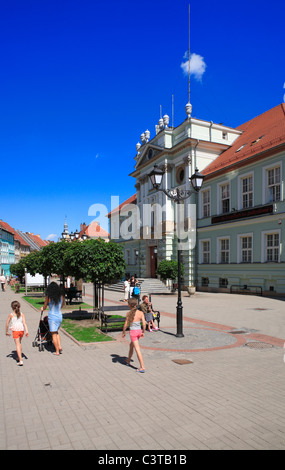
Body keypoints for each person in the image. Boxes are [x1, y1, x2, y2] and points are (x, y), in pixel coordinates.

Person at [122, 298, 146, 373]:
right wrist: (143, 332)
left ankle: (142, 367)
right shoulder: (140, 313)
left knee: (137, 349)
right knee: (131, 345)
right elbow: (144, 324)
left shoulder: (128, 314)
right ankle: (128, 360)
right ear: (136, 304)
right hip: (139, 332)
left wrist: (123, 332)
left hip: (133, 333)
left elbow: (125, 325)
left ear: (129, 305)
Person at [41, 282, 64, 356]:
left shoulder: (49, 297)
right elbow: (62, 305)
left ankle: (57, 351)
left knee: (53, 333)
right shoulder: (61, 296)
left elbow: (44, 306)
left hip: (52, 316)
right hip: (59, 315)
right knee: (56, 332)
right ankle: (59, 346)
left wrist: (42, 308)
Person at [6, 301, 29, 366]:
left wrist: (6, 331)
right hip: (21, 330)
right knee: (20, 343)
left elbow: (7, 323)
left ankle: (20, 361)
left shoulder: (11, 315)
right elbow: (24, 323)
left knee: (17, 345)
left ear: (12, 307)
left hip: (15, 331)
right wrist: (26, 331)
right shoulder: (22, 314)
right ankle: (19, 357)